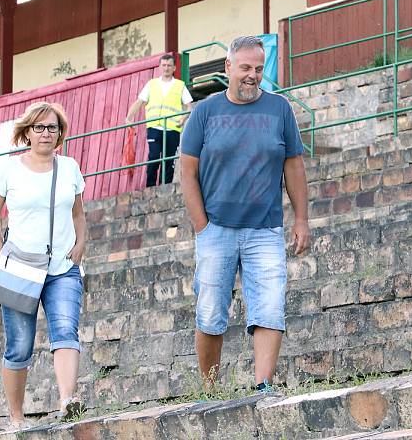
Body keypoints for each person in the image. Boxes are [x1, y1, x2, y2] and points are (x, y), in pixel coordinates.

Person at [180, 35, 310, 392]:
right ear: (228, 68)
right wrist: (202, 226)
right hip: (216, 229)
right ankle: (210, 389)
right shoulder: (205, 112)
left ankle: (263, 386)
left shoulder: (279, 109)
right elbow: (187, 171)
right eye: (245, 68)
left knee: (269, 306)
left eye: (258, 68)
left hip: (264, 229)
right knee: (209, 313)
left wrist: (301, 219)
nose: (252, 75)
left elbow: (294, 165)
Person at [0, 102, 87, 427]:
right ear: (27, 131)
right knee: (18, 346)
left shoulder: (69, 167)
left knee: (66, 331)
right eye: (40, 127)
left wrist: (81, 243)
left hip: (62, 267)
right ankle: (16, 418)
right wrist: (1, 251)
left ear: (60, 134)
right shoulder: (10, 170)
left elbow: (78, 213)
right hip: (20, 268)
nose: (46, 133)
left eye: (52, 128)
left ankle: (68, 400)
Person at [125, 53, 193, 187]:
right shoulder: (152, 84)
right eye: (164, 65)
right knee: (154, 157)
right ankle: (150, 187)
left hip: (172, 129)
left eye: (169, 65)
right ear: (159, 67)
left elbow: (189, 107)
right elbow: (139, 102)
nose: (166, 68)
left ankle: (165, 187)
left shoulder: (180, 85)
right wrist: (128, 118)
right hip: (154, 127)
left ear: (174, 68)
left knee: (168, 161)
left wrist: (183, 119)